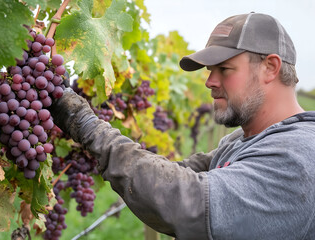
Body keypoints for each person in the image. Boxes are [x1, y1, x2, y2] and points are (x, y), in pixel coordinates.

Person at [50, 12, 315, 240]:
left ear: (270, 67)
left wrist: (86, 124)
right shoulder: (240, 141)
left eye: (224, 68)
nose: (210, 81)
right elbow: (176, 174)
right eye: (210, 70)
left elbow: (187, 201)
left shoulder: (297, 156)